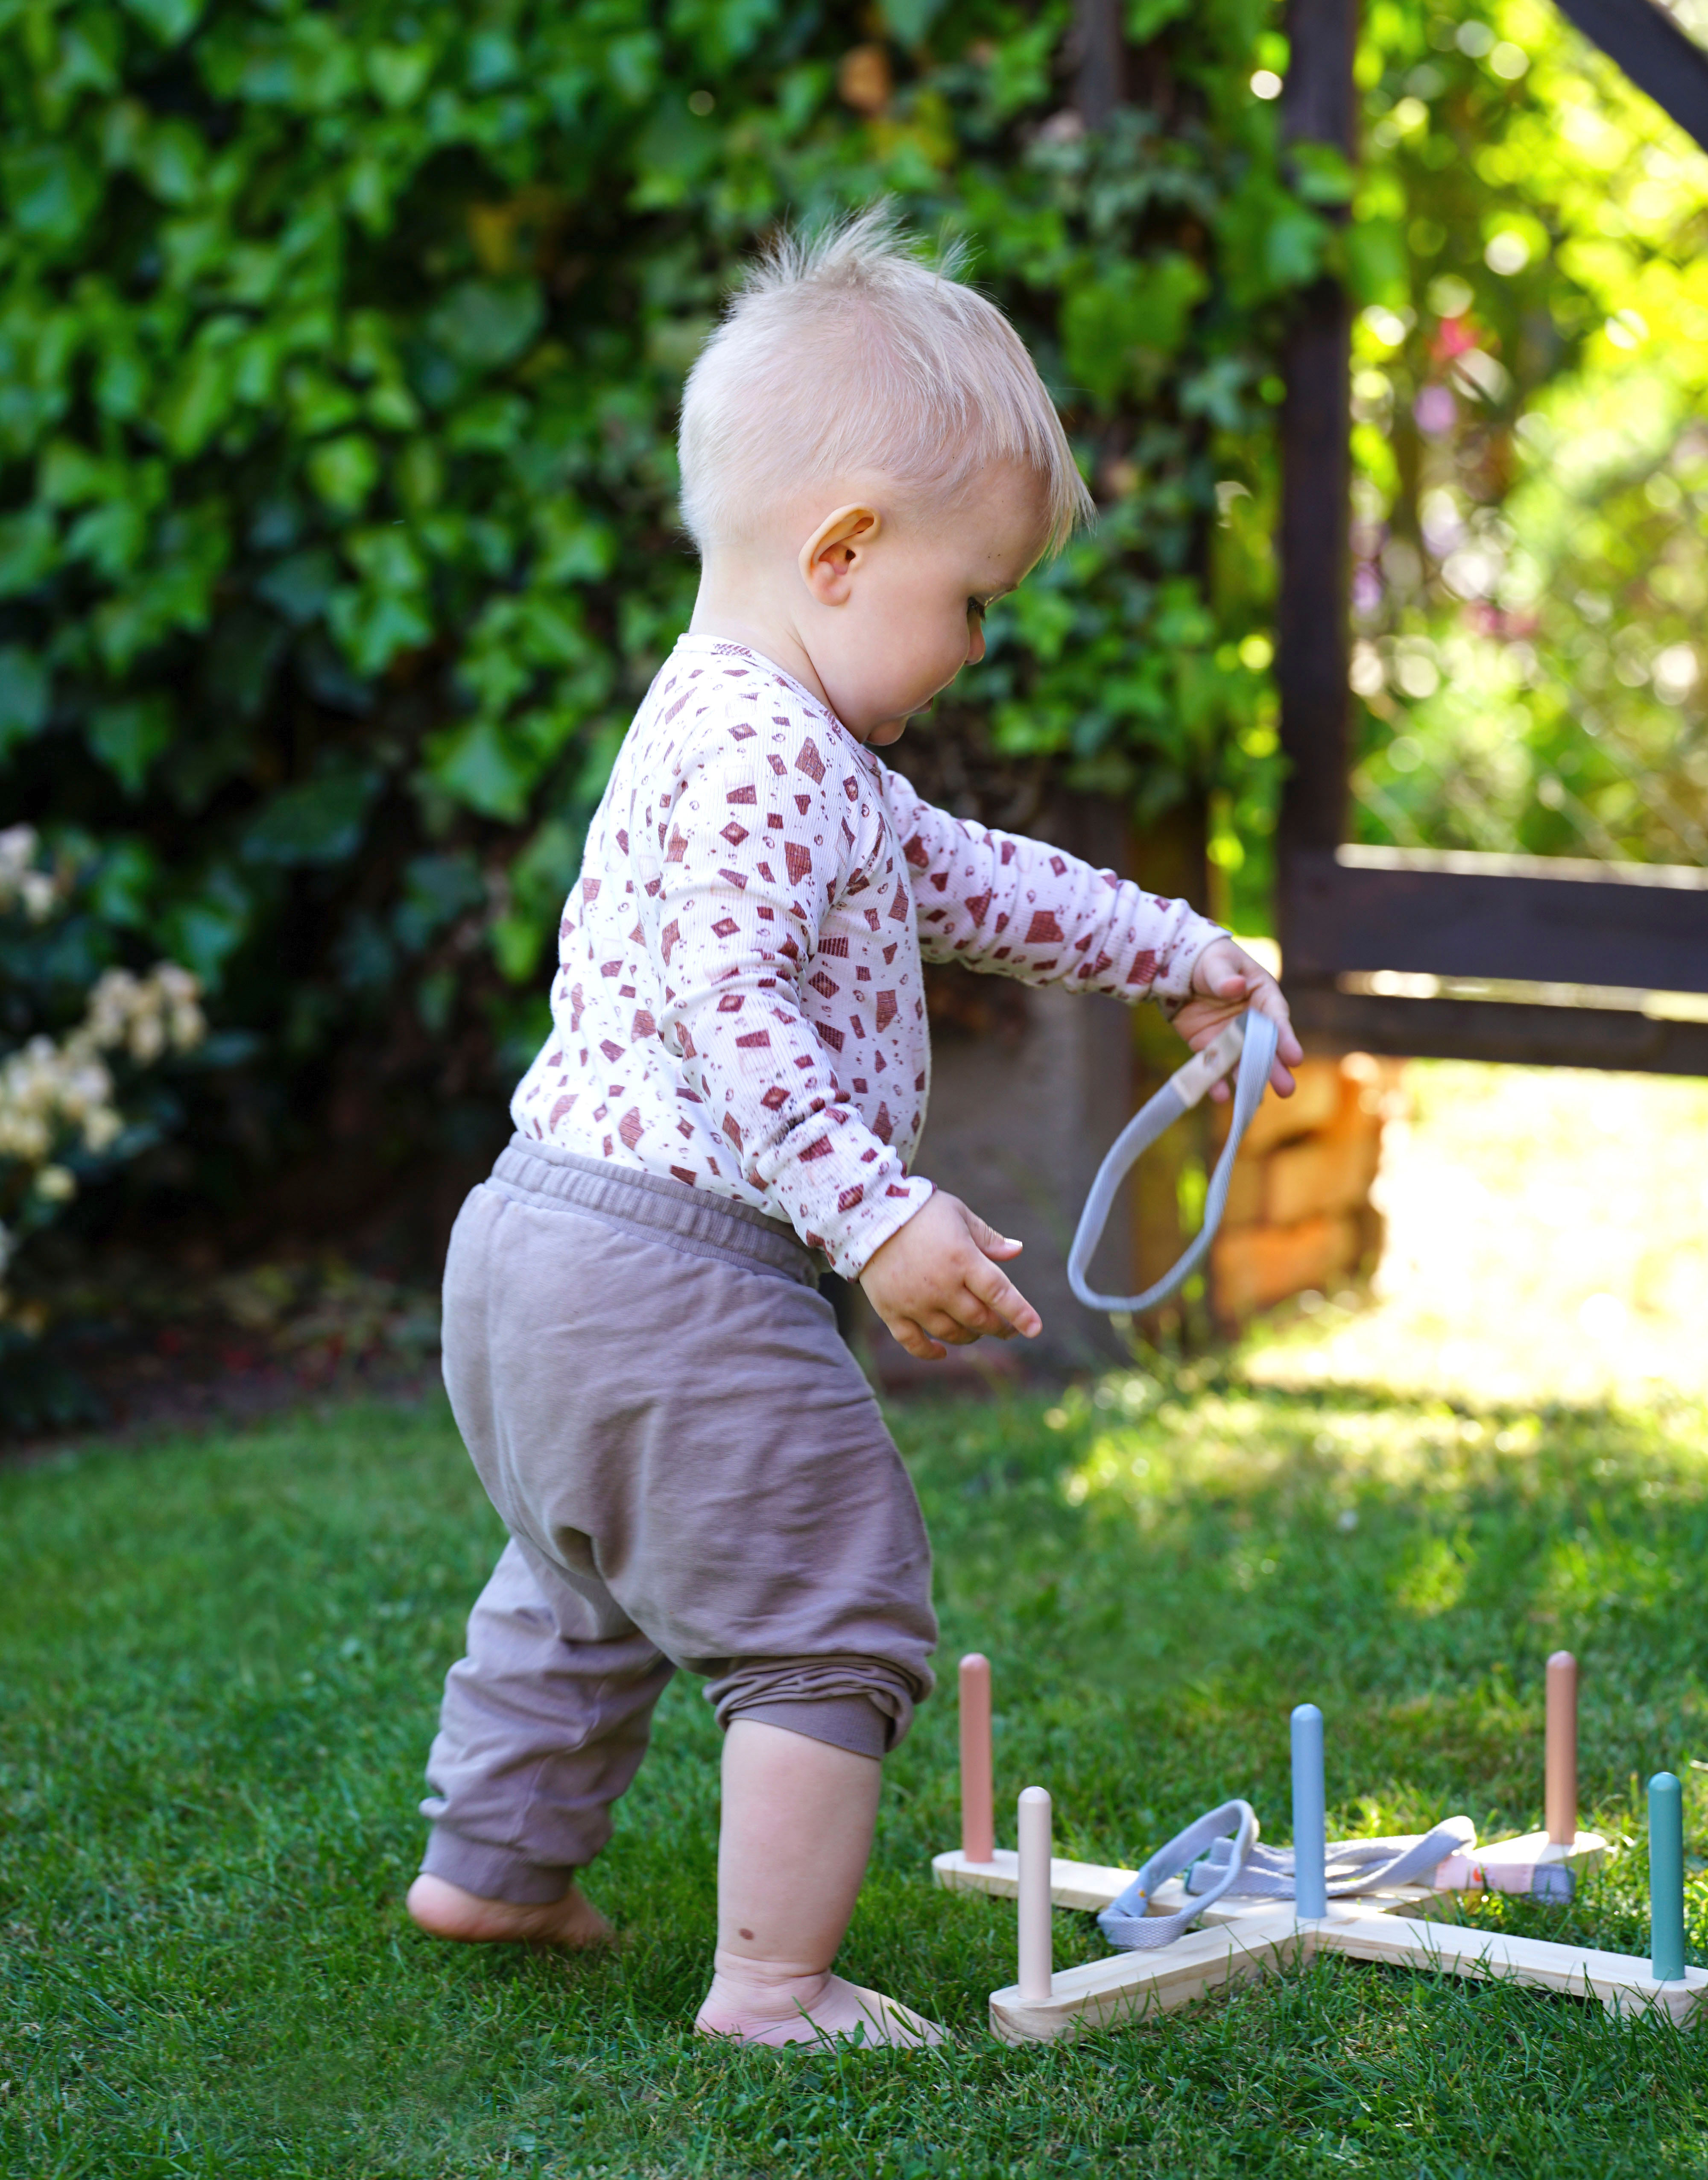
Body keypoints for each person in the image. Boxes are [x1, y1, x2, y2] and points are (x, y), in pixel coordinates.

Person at [405, 208, 1301, 2047]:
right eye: (970, 598)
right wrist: (871, 1213)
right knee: (832, 1595)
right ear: (841, 551)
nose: (976, 643)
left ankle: (490, 1866)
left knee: (582, 1572)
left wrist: (1184, 951)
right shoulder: (761, 754)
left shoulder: (761, 738)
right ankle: (774, 1987)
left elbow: (982, 884)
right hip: (669, 1262)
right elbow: (734, 1011)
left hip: (530, 1256)